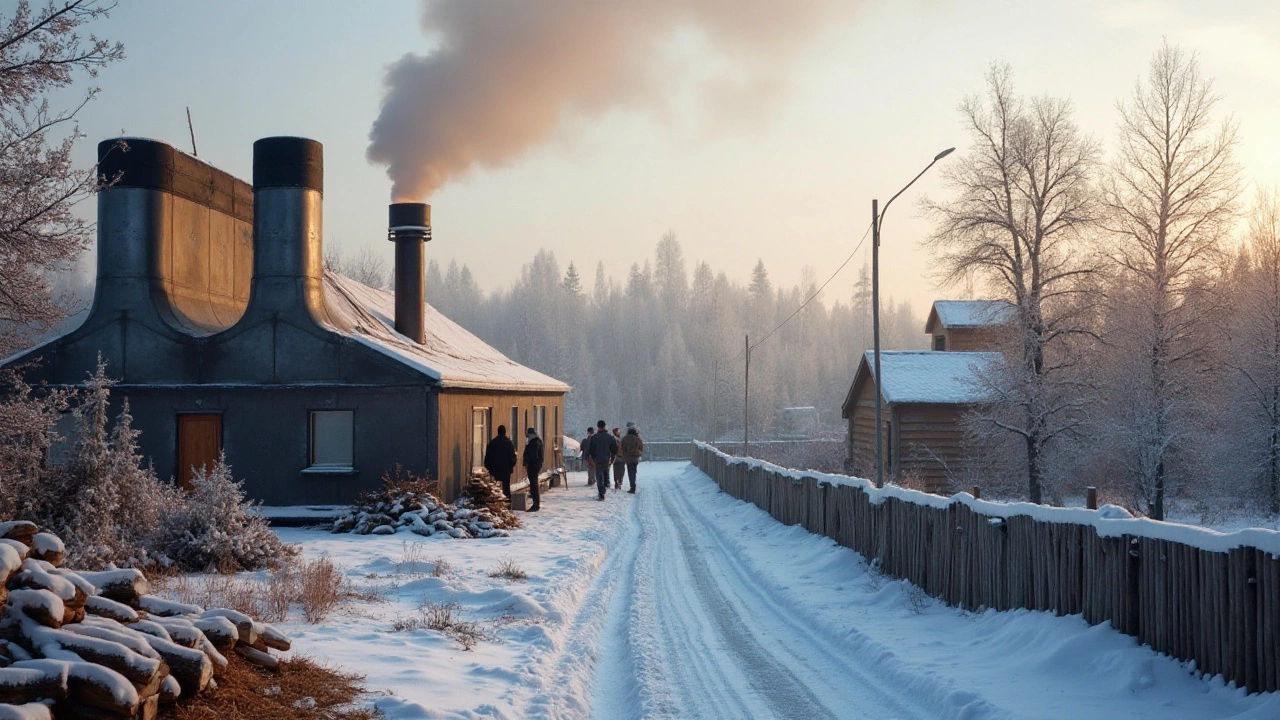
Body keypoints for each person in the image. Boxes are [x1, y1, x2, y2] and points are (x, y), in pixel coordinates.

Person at [584, 419, 618, 500]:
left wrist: (588, 457)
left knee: (599, 477)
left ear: (598, 427)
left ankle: (601, 493)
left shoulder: (594, 438)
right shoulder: (610, 437)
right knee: (606, 475)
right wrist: (612, 459)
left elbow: (589, 449)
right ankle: (604, 487)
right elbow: (614, 449)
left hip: (597, 460)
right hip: (606, 460)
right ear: (605, 426)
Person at [483, 425, 517, 500]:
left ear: (497, 432)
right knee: (506, 489)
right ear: (504, 432)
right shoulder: (508, 443)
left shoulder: (492, 443)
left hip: (494, 470)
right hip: (506, 470)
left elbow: (487, 458)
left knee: (495, 490)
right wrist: (511, 467)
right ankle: (506, 504)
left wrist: (489, 468)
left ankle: (495, 504)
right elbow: (513, 457)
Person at [523, 427, 544, 512]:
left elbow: (533, 456)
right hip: (536, 465)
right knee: (534, 484)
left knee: (534, 484)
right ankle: (535, 503)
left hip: (533, 466)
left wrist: (527, 460)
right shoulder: (537, 442)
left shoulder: (533, 443)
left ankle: (536, 504)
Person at [620, 422, 644, 494]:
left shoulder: (625, 438)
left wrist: (625, 453)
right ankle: (633, 485)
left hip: (628, 457)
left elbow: (623, 448)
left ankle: (632, 486)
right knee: (634, 471)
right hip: (636, 457)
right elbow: (641, 447)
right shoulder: (638, 439)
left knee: (630, 471)